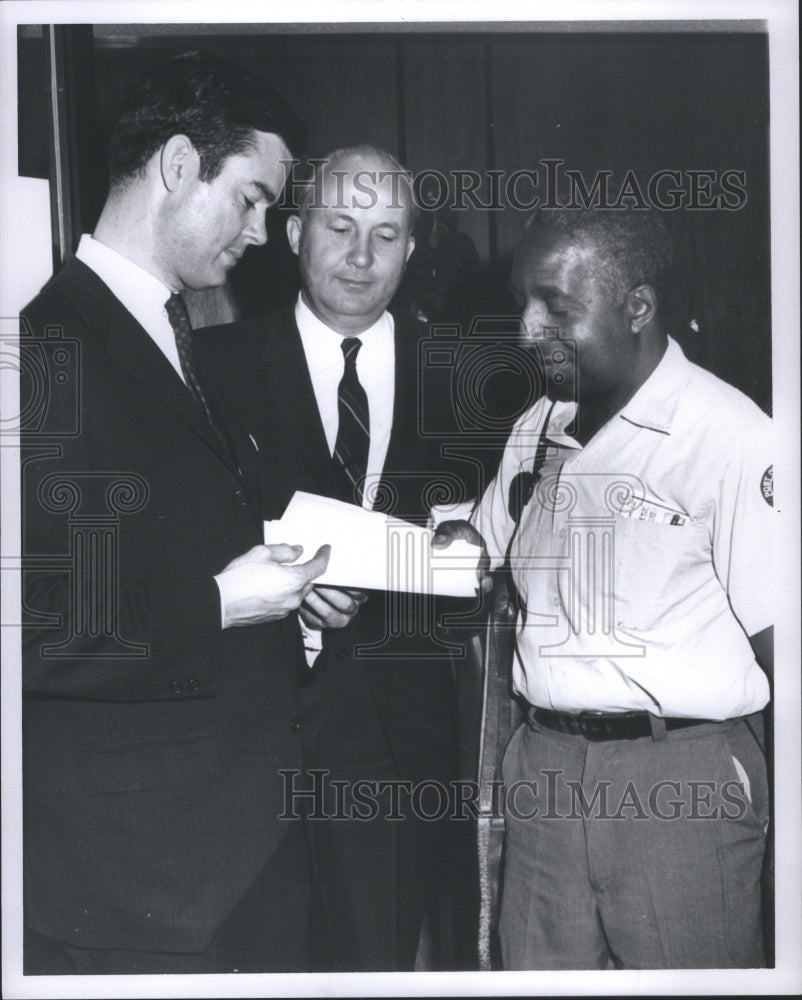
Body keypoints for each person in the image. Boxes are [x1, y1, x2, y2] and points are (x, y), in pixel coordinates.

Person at [21, 51, 330, 975]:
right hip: (137, 885)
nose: (265, 232)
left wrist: (287, 595)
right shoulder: (43, 353)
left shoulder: (177, 330)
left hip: (235, 851)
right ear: (180, 164)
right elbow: (28, 628)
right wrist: (225, 604)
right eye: (252, 198)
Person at [436, 205, 774, 969]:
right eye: (523, 302)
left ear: (638, 307)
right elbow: (476, 553)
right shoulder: (539, 423)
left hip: (678, 783)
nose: (527, 331)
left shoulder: (731, 438)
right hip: (545, 768)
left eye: (556, 307)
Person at [197, 145, 477, 971]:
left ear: (412, 249)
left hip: (395, 747)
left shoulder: (466, 381)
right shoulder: (210, 370)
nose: (361, 256)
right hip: (241, 737)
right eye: (340, 226)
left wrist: (464, 568)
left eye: (386, 234)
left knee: (373, 967)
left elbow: (477, 571)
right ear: (292, 232)